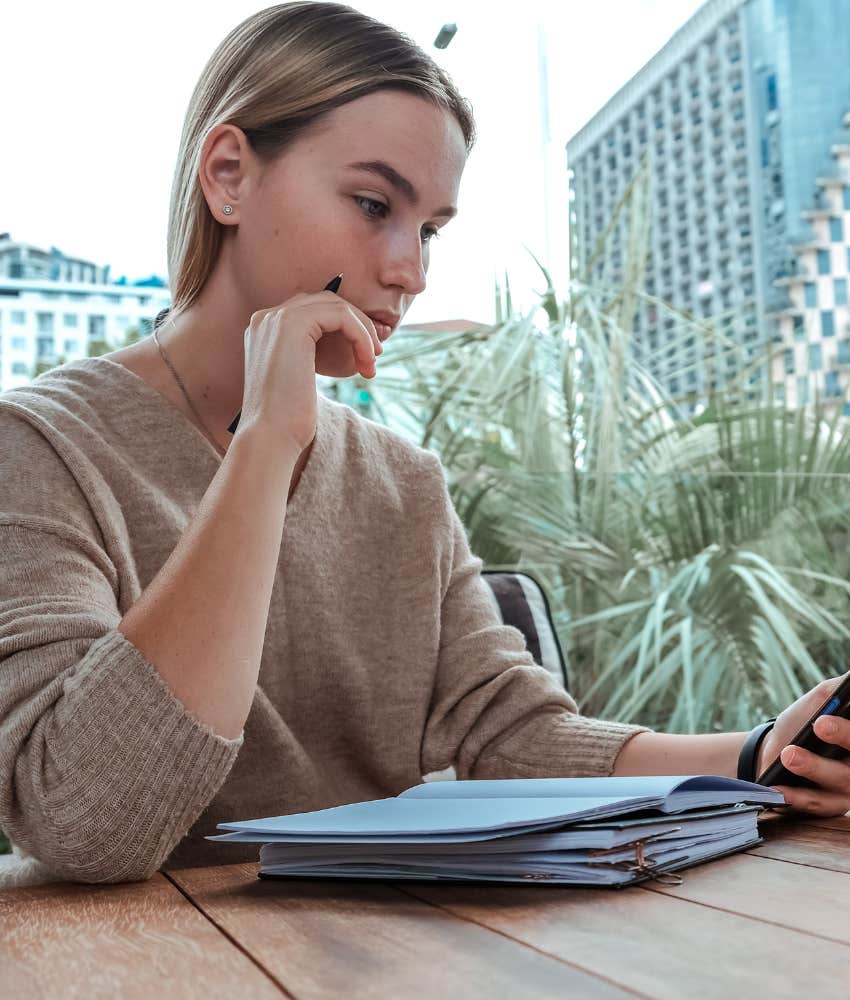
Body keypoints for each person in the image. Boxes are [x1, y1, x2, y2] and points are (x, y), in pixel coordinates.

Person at [0, 2, 847, 888]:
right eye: (373, 204)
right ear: (228, 176)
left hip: (396, 960)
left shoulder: (404, 482)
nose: (411, 268)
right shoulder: (41, 448)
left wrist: (759, 754)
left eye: (432, 228)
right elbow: (84, 822)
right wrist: (264, 447)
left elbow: (510, 733)